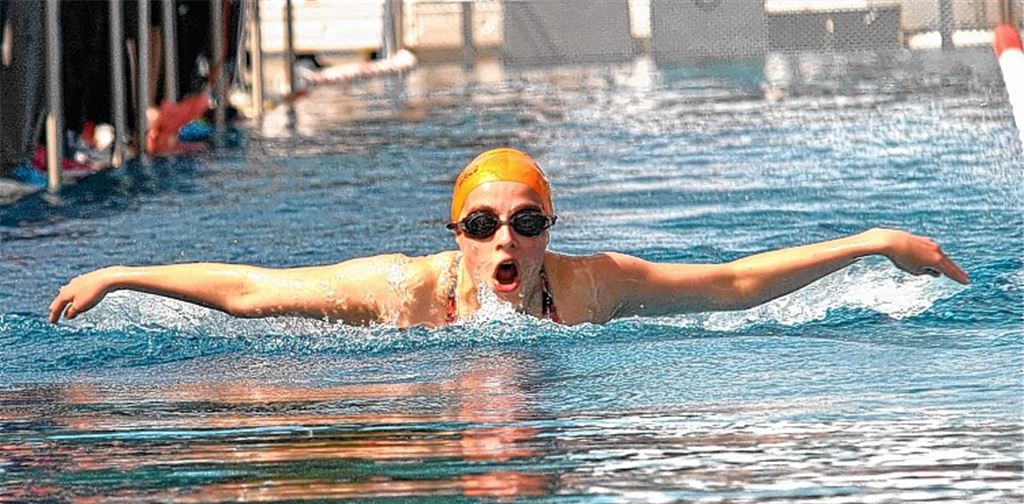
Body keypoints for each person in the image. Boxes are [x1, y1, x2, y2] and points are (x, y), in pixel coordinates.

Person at [48, 148, 969, 327]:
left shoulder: (592, 286)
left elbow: (729, 284)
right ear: (457, 235)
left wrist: (871, 239)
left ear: (547, 231)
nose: (506, 241)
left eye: (526, 224)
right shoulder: (404, 291)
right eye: (485, 225)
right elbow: (255, 290)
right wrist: (124, 271)